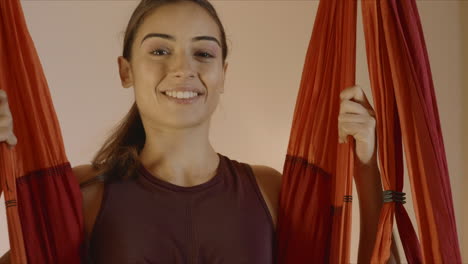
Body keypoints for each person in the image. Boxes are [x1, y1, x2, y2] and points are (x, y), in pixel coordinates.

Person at [0, 0, 400, 263]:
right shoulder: (82, 194)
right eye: (159, 50)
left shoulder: (270, 191)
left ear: (223, 73)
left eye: (203, 53)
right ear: (125, 71)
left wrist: (366, 167)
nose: (183, 68)